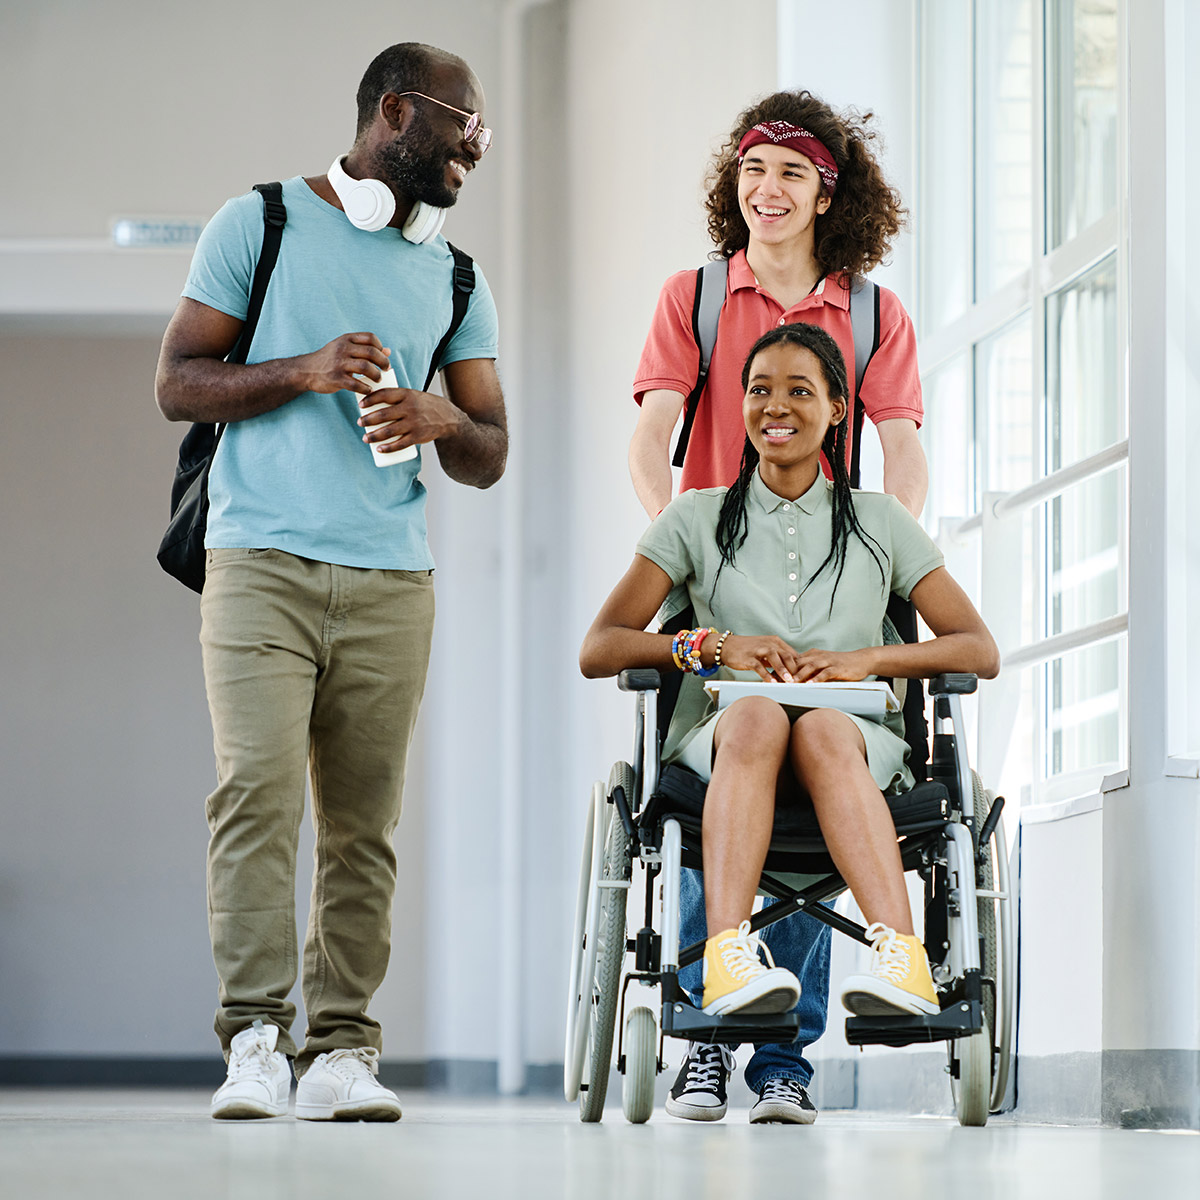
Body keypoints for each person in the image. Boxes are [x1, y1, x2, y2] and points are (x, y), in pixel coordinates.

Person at [154, 42, 506, 1122]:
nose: (476, 149)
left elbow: (489, 448)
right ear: (395, 112)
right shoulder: (254, 223)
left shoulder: (454, 274)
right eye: (463, 124)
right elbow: (177, 383)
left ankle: (342, 1051)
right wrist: (303, 368)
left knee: (363, 824)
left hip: (393, 580)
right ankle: (256, 1040)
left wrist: (444, 417)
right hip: (257, 561)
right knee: (255, 797)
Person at [586, 324, 997, 1122]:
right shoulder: (694, 517)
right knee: (758, 719)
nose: (776, 406)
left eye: (800, 390)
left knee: (818, 730)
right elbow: (601, 646)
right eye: (760, 388)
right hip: (728, 737)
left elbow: (976, 647)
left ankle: (902, 961)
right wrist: (712, 646)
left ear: (839, 410)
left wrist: (866, 660)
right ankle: (730, 962)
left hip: (854, 738)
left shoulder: (879, 520)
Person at [628, 89, 928, 1125]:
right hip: (719, 576)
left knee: (814, 768)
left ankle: (781, 1054)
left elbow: (903, 448)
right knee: (728, 765)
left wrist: (883, 562)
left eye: (793, 172)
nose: (769, 189)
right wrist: (681, 541)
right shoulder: (697, 297)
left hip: (834, 577)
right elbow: (653, 429)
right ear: (735, 182)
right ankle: (708, 1036)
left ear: (829, 194)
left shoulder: (876, 314)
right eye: (754, 169)